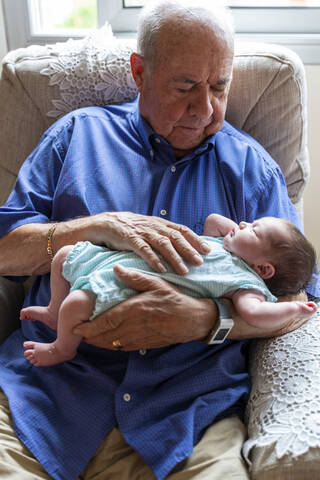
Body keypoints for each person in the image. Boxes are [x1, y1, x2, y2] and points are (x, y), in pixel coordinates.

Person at [0, 0, 319, 479]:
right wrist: (91, 227)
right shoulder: (77, 137)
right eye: (186, 86)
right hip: (47, 395)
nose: (205, 108)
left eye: (219, 86)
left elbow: (302, 297)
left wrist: (208, 319)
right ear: (139, 73)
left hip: (187, 415)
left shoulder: (251, 170)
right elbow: (6, 250)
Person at [21, 214, 317, 367]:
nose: (243, 223)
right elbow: (213, 220)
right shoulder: (223, 244)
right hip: (117, 258)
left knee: (76, 305)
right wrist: (240, 234)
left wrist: (291, 309)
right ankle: (52, 310)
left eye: (254, 228)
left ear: (264, 270)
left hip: (125, 283)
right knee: (62, 256)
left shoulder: (246, 285)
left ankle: (62, 348)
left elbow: (255, 314)